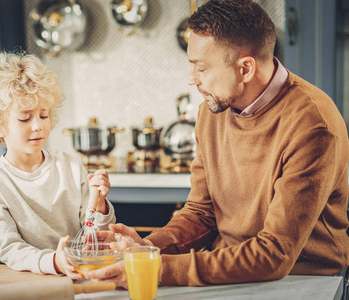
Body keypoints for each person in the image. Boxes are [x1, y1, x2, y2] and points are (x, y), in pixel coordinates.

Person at [85, 0, 349, 289]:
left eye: (201, 68)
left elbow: (275, 253)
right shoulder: (211, 112)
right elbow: (202, 211)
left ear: (245, 69)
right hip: (230, 275)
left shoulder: (312, 126)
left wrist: (155, 267)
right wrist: (148, 247)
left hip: (304, 281)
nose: (191, 79)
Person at [0, 52, 116, 278]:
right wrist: (53, 261)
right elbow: (9, 248)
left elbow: (96, 235)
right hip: (29, 281)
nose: (38, 126)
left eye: (44, 115)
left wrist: (100, 205)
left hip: (80, 277)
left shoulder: (71, 166)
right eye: (24, 118)